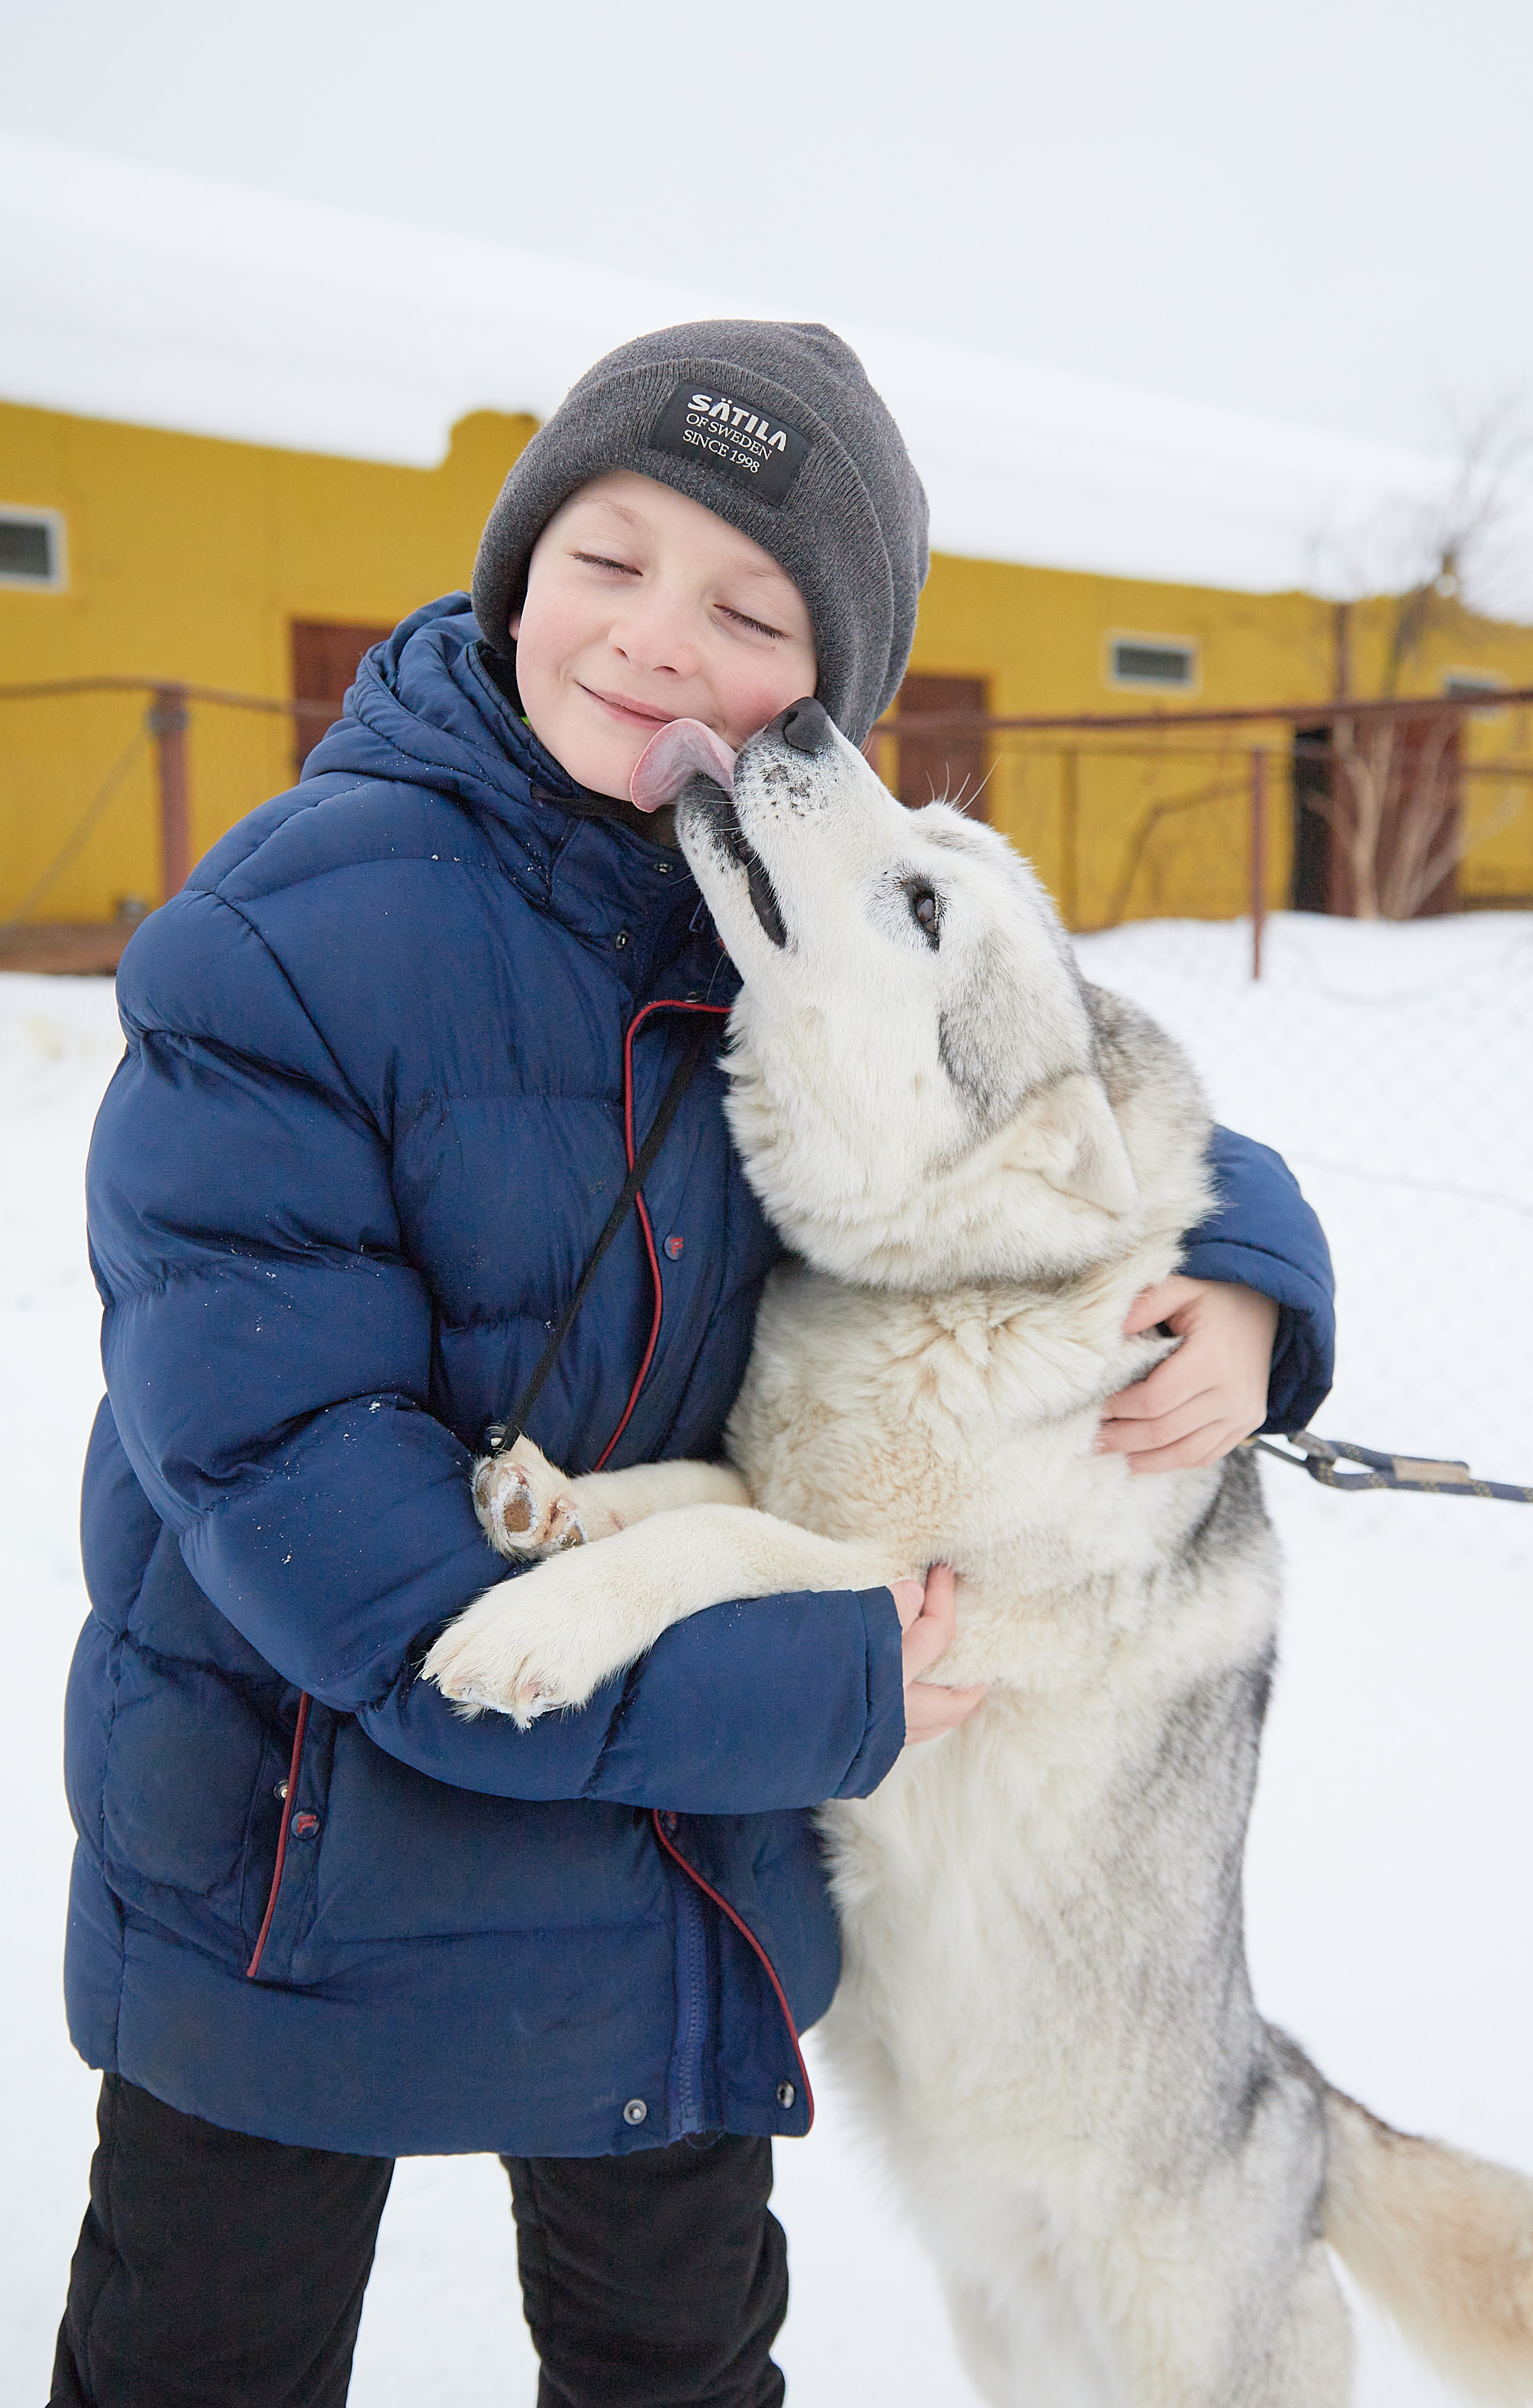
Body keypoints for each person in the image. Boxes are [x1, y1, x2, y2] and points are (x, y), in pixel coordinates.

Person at [53, 322, 1334, 2408]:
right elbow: (336, 1547)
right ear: (517, 565)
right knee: (204, 2362)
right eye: (611, 559)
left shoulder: (764, 902)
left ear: (818, 694)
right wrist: (822, 1689)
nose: (658, 642)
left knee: (677, 2370)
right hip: (295, 1882)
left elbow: (1060, 1079)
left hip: (663, 1902)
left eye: (748, 610)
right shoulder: (282, 940)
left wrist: (1256, 1270)